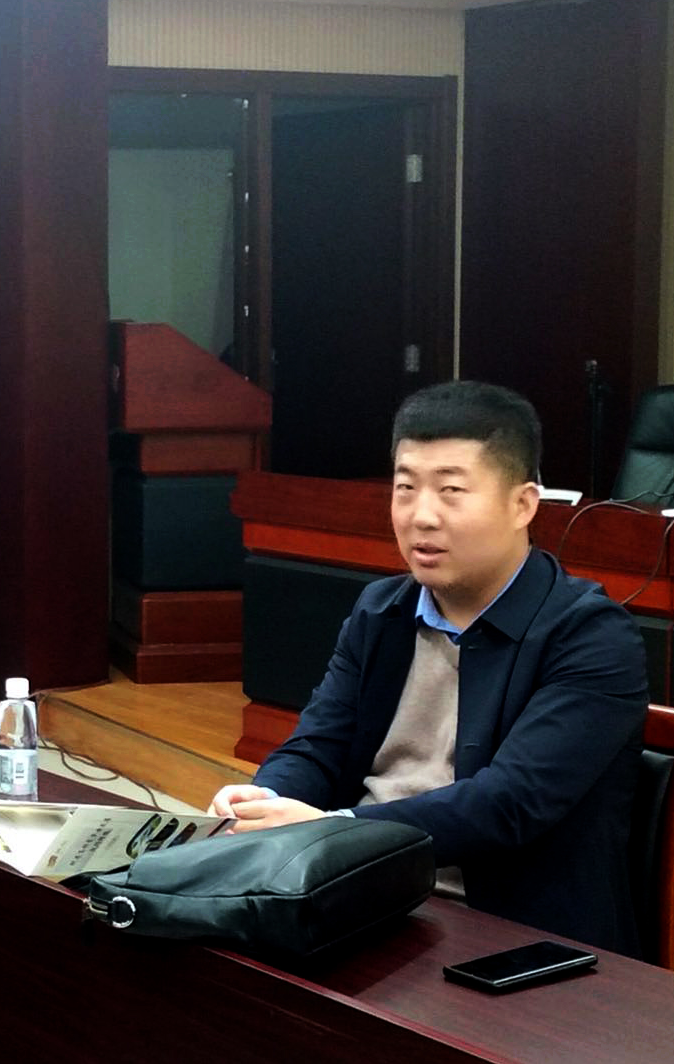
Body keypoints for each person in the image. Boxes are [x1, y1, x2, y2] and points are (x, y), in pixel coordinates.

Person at [207, 381, 647, 956]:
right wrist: (263, 800)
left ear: (523, 505)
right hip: (358, 893)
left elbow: (508, 804)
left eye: (451, 491)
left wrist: (333, 832)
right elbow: (318, 746)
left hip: (506, 933)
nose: (422, 517)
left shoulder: (590, 635)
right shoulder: (381, 611)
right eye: (405, 489)